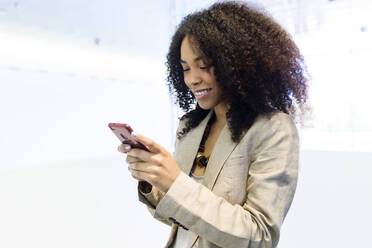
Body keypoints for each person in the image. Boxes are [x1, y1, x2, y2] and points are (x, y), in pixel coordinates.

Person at [118, 1, 309, 247]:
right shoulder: (192, 127)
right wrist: (153, 177)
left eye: (203, 67)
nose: (192, 79)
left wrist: (175, 182)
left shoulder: (274, 129)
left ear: (236, 63)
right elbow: (185, 220)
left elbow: (260, 236)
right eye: (185, 69)